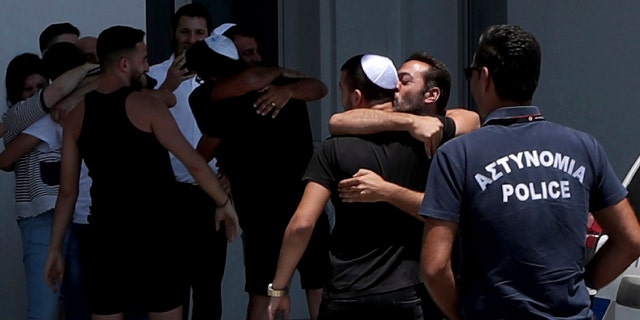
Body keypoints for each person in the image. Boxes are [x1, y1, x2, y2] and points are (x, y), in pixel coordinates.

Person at [419, 24, 640, 320]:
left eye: (469, 73)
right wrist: (583, 285)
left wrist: (461, 314)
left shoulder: (458, 154)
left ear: (484, 77)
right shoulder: (583, 147)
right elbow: (630, 240)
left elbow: (433, 267)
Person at [44, 25, 239, 320]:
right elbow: (194, 162)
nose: (148, 66)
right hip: (156, 236)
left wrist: (55, 248)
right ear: (125, 64)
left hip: (105, 239)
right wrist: (224, 204)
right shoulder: (148, 105)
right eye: (144, 58)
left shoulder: (77, 115)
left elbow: (67, 191)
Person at [267, 53, 453, 320]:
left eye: (342, 91)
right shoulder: (428, 138)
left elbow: (302, 224)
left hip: (346, 292)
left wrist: (279, 288)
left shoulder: (332, 149)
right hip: (408, 291)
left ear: (355, 97)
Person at [186, 31, 330, 320]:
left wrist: (286, 86)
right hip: (286, 203)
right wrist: (283, 79)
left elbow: (319, 87)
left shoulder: (213, 97)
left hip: (278, 204)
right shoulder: (215, 96)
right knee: (300, 287)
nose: (255, 60)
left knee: (294, 288)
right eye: (247, 55)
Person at [146, 4, 232, 320]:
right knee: (172, 289)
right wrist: (168, 84)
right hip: (167, 195)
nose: (191, 39)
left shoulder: (225, 80)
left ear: (209, 36)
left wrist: (231, 174)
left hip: (211, 196)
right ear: (173, 33)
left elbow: (236, 133)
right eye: (185, 31)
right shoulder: (153, 77)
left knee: (209, 289)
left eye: (199, 33)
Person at [1, 51, 95, 320]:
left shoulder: (64, 111)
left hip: (75, 214)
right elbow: (5, 160)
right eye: (26, 89)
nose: (34, 94)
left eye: (39, 87)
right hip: (40, 216)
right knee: (44, 309)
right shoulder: (18, 116)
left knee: (77, 305)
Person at [329, 52, 479, 216]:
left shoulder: (444, 127)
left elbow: (471, 119)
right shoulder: (400, 124)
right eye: (395, 79)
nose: (394, 86)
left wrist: (386, 190)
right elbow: (337, 121)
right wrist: (410, 122)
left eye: (404, 81)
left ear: (431, 95)